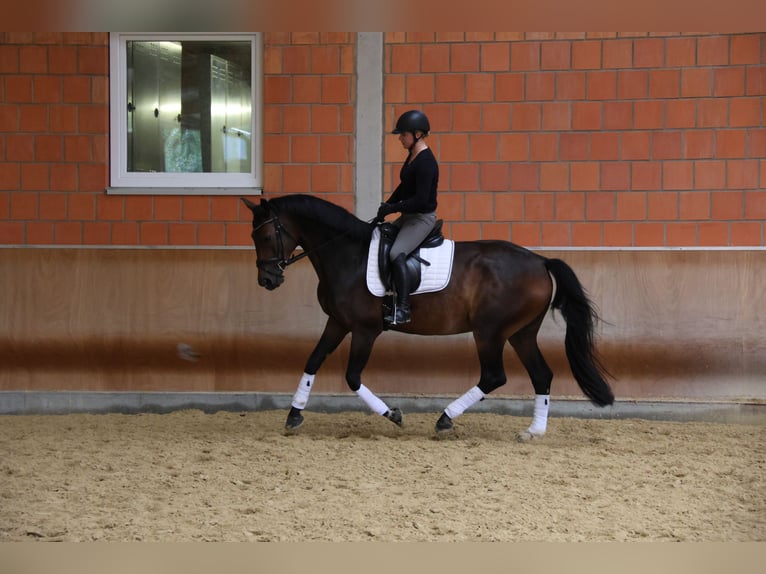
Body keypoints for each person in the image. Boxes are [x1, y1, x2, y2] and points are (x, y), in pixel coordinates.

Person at [376, 109, 439, 325]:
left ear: (418, 134)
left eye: (403, 135)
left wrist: (394, 208)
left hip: (422, 218)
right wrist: (387, 206)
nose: (400, 139)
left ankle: (403, 309)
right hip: (409, 215)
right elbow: (404, 187)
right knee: (380, 237)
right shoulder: (412, 156)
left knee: (396, 253)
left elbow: (421, 200)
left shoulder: (426, 162)